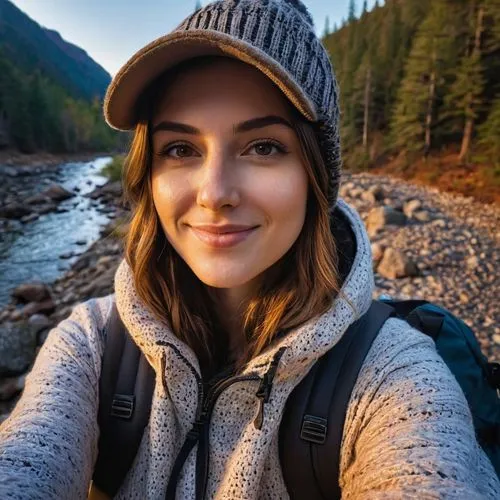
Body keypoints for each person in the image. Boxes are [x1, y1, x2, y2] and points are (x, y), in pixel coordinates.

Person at [1, 0, 499, 498]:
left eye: (263, 147)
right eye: (180, 149)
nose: (215, 193)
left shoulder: (392, 372)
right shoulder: (90, 347)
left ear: (316, 176)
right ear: (147, 175)